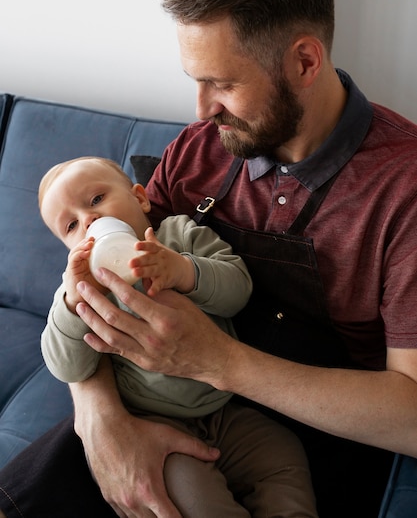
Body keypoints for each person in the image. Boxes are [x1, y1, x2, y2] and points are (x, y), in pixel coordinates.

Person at [1, 0, 417, 518]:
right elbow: (106, 284)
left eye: (221, 83)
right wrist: (102, 420)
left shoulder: (404, 188)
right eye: (196, 82)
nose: (200, 112)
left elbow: (412, 415)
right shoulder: (200, 150)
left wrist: (219, 362)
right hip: (159, 403)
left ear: (304, 61)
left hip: (320, 430)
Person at [38, 155, 318, 518]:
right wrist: (73, 303)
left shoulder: (180, 234)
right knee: (194, 500)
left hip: (224, 411)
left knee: (282, 452)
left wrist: (185, 270)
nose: (89, 219)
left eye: (95, 200)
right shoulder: (81, 287)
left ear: (140, 198)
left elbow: (238, 291)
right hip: (151, 424)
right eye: (71, 225)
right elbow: (67, 367)